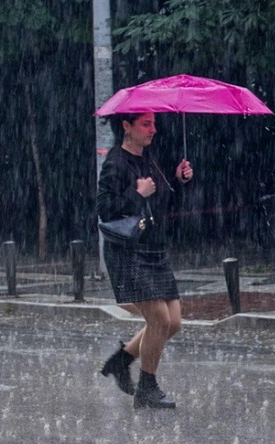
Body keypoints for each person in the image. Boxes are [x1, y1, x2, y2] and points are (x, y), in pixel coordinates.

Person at [96, 112, 193, 409]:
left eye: (153, 123)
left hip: (154, 248)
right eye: (145, 124)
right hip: (128, 252)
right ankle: (147, 390)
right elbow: (105, 210)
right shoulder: (115, 162)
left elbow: (162, 201)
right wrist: (136, 194)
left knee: (172, 323)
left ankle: (121, 360)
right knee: (159, 320)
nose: (153, 129)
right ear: (126, 127)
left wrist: (178, 179)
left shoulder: (149, 159)